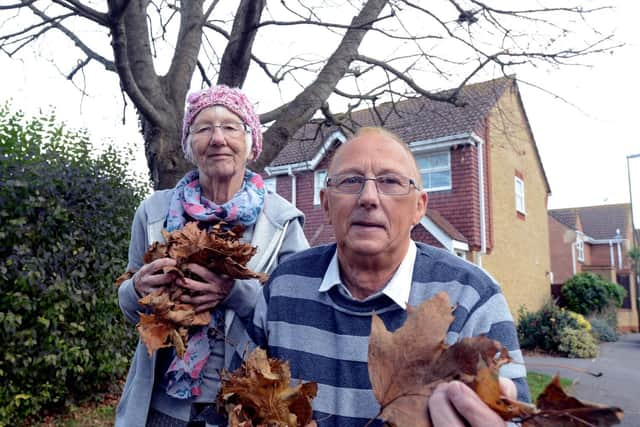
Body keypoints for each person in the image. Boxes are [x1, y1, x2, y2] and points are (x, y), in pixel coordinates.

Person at [244, 127, 529, 426]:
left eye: (390, 181)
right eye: (351, 181)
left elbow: (515, 417)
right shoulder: (282, 287)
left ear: (419, 207)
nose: (368, 197)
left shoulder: (473, 296)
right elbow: (241, 401)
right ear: (326, 204)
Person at [115, 85, 309, 427]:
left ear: (251, 144)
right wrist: (136, 289)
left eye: (231, 127)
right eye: (203, 128)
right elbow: (132, 308)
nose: (217, 138)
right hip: (163, 408)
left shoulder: (282, 221)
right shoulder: (154, 212)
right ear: (190, 146)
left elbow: (298, 318)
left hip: (244, 406)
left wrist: (235, 293)